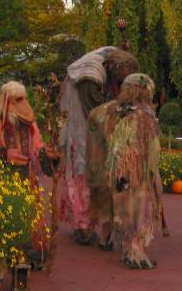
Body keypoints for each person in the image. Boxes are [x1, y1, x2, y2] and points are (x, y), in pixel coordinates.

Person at [58, 47, 139, 245]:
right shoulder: (90, 76)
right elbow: (95, 113)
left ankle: (93, 224)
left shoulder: (108, 59)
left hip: (90, 133)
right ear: (114, 69)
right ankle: (83, 226)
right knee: (82, 174)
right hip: (81, 132)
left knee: (90, 175)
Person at [0, 81, 57, 270]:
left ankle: (26, 256)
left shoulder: (30, 127)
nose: (22, 104)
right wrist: (4, 154)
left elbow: (38, 150)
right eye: (17, 100)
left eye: (24, 99)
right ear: (6, 102)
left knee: (28, 220)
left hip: (27, 184)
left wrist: (48, 156)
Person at [102, 73, 163, 269]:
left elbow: (109, 140)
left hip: (118, 169)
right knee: (140, 209)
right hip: (138, 172)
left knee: (123, 208)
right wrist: (152, 170)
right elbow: (151, 146)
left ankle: (129, 249)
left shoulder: (115, 111)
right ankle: (136, 252)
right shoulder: (144, 114)